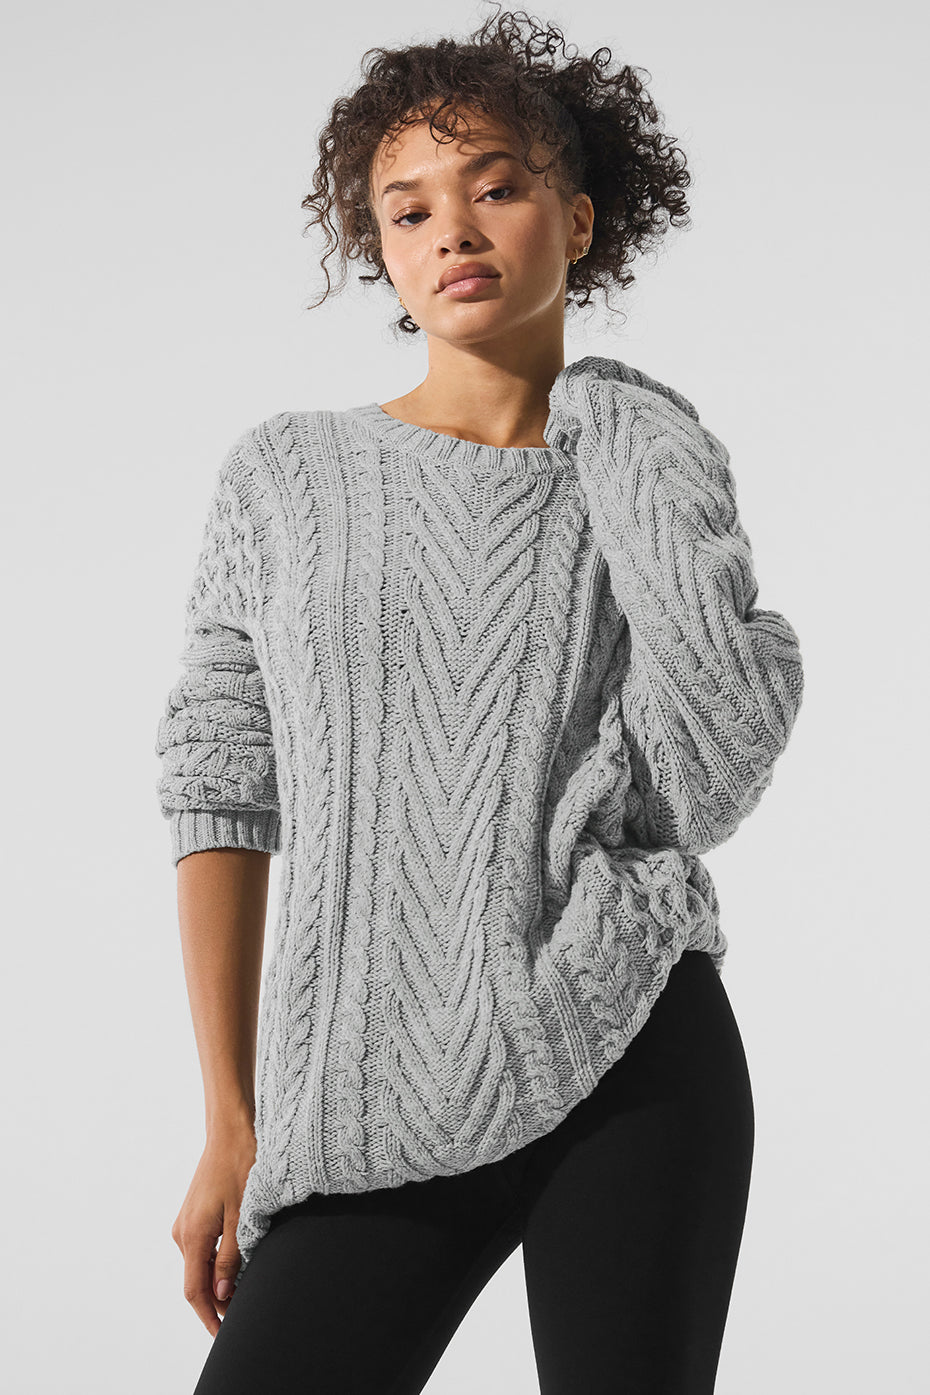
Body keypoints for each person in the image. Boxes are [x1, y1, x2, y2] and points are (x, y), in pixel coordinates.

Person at [154, 9, 805, 1392]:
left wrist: (625, 435)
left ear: (579, 219)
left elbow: (709, 773)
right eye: (409, 210)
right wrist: (230, 1121)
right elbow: (218, 783)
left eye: (495, 187)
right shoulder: (288, 477)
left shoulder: (640, 457)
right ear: (380, 252)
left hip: (629, 1047)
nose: (453, 228)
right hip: (366, 1092)